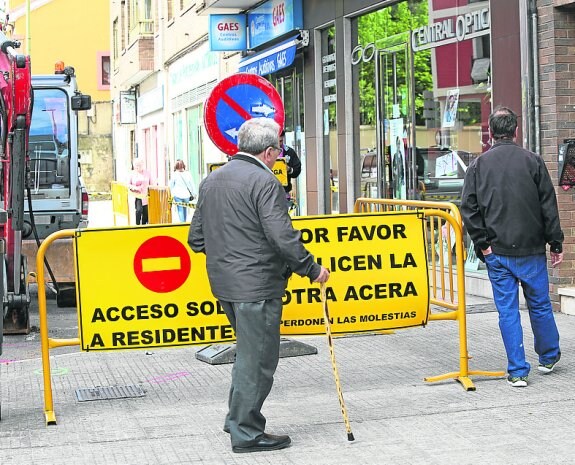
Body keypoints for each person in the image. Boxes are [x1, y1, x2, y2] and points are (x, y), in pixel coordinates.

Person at [188, 117, 330, 453]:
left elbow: (196, 239)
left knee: (247, 355)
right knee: (259, 360)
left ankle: (236, 418)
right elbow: (282, 236)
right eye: (279, 152)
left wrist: (229, 255)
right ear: (268, 152)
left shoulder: (212, 181)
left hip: (225, 284)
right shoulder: (265, 183)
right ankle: (247, 432)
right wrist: (311, 269)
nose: (281, 158)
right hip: (257, 285)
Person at [460, 106, 564, 388]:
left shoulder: (479, 166)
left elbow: (468, 208)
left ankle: (517, 371)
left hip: (498, 252)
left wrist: (484, 246)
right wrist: (556, 242)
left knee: (508, 311)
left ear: (490, 133)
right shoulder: (534, 161)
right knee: (540, 305)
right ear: (516, 131)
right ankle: (548, 357)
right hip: (531, 248)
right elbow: (548, 205)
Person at [278, 130, 301, 204]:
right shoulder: (265, 152)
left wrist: (289, 169)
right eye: (276, 141)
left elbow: (297, 170)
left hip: (284, 193)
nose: (278, 144)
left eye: (280, 141)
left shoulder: (289, 152)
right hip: (268, 193)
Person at [128, 158, 153, 225]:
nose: (137, 167)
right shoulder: (132, 173)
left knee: (145, 213)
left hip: (146, 195)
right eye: (136, 165)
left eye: (139, 165)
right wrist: (135, 188)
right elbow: (128, 184)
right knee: (139, 210)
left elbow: (151, 183)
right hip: (137, 195)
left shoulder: (147, 173)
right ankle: (137, 225)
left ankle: (144, 226)